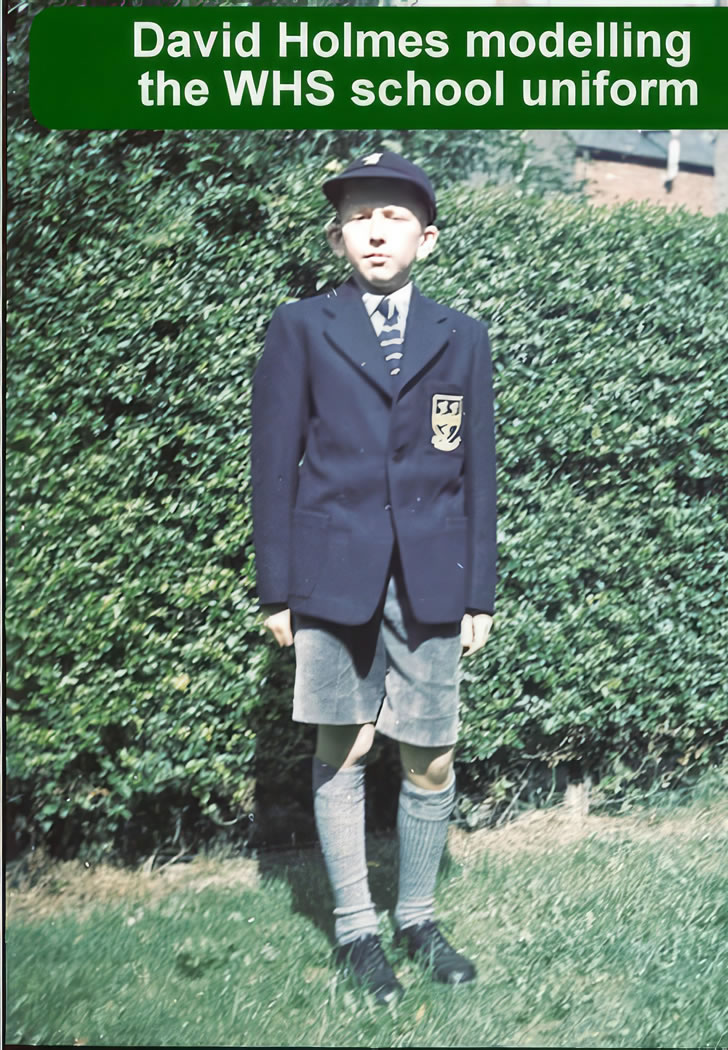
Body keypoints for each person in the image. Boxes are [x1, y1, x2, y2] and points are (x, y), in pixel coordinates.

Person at [250, 150, 497, 1004]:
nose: (377, 232)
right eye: (359, 218)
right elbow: (272, 464)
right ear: (337, 238)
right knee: (345, 745)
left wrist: (478, 590)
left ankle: (418, 917)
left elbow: (477, 471)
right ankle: (358, 929)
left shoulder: (461, 336)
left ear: (427, 239)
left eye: (395, 218)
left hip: (432, 575)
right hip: (332, 572)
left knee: (431, 753)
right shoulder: (301, 327)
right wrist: (277, 589)